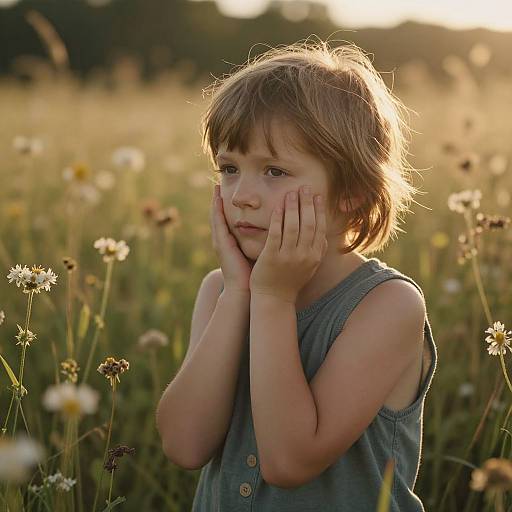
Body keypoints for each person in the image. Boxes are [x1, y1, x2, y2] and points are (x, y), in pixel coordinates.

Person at [156, 39, 437, 512]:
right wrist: (241, 294)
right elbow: (184, 445)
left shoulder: (387, 306)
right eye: (229, 168)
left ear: (351, 191)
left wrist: (271, 297)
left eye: (275, 171)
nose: (242, 195)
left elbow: (289, 462)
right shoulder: (221, 291)